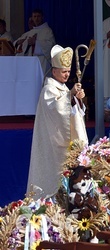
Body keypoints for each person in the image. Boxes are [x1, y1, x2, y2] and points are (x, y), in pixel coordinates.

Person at [27, 44, 87, 199]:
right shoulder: (49, 89)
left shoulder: (63, 88)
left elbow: (75, 113)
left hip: (65, 144)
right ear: (54, 71)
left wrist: (78, 99)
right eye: (63, 71)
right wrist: (70, 96)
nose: (67, 75)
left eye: (68, 71)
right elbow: (57, 110)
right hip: (52, 144)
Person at [14, 9, 56, 76]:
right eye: (35, 16)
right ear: (32, 18)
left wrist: (36, 43)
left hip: (42, 61)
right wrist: (19, 42)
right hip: (30, 62)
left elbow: (51, 46)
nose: (36, 19)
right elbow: (16, 44)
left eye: (38, 16)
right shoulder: (30, 32)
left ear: (42, 17)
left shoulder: (47, 31)